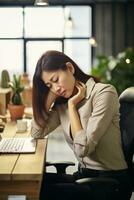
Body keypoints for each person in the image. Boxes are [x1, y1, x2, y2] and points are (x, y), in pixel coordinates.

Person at [31, 50, 132, 200]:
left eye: (56, 79)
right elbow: (36, 133)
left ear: (70, 69)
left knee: (43, 192)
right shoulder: (62, 103)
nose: (56, 87)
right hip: (85, 175)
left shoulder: (104, 93)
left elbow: (82, 149)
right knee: (36, 183)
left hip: (110, 182)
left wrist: (72, 107)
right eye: (49, 85)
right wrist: (49, 97)